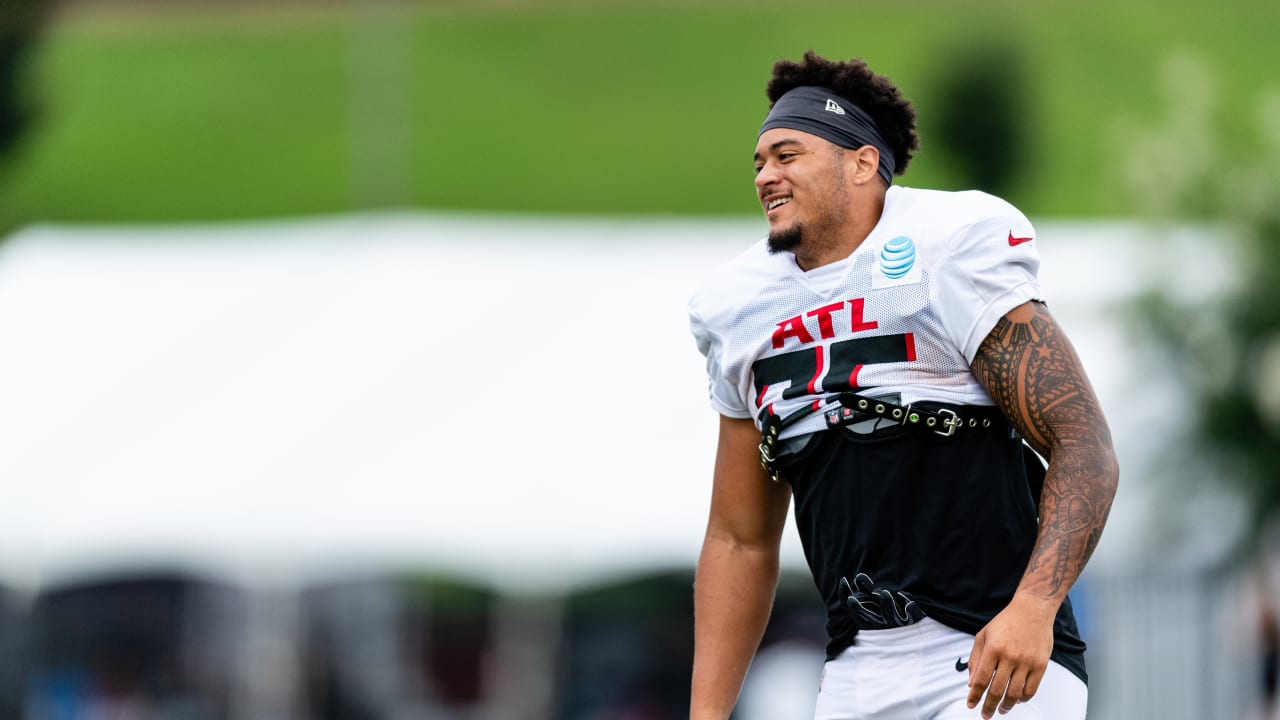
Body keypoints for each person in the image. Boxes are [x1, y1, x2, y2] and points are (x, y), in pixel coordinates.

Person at [687, 51, 1119, 720]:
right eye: (758, 163)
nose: (765, 176)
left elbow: (1083, 440)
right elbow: (739, 538)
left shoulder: (949, 244)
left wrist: (1034, 606)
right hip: (856, 665)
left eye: (787, 154)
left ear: (863, 163)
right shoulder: (739, 306)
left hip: (992, 652)